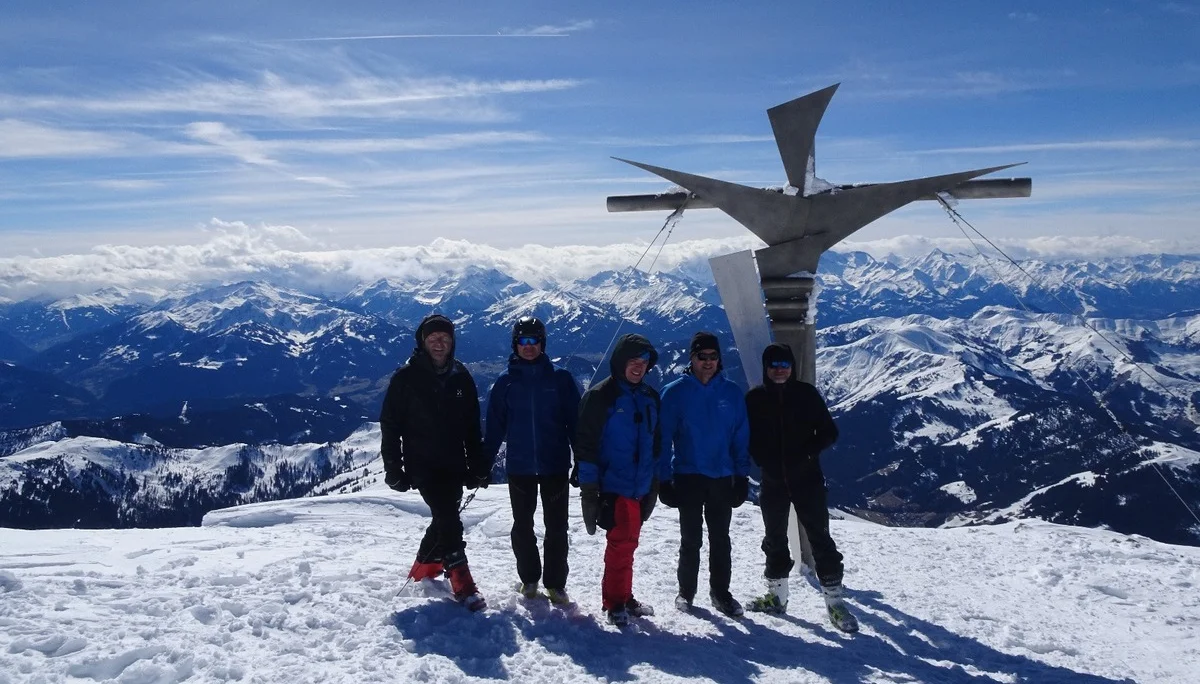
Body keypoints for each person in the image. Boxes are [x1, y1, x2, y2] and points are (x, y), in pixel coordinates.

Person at [744, 342, 858, 632]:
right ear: (765, 368)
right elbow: (745, 435)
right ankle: (777, 597)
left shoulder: (806, 394)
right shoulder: (755, 399)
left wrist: (806, 453)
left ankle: (835, 603)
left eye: (784, 364)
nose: (779, 370)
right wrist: (760, 457)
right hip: (772, 482)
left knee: (820, 538)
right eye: (773, 365)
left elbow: (829, 432)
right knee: (774, 539)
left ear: (792, 367)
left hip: (807, 479)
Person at [379, 313, 490, 611]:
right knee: (449, 519)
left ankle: (424, 569)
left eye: (445, 339)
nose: (439, 344)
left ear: (452, 342)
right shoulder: (406, 378)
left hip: (453, 463)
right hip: (423, 464)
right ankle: (463, 585)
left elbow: (471, 426)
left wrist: (476, 465)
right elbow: (390, 425)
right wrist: (394, 468)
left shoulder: (460, 376)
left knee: (445, 516)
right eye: (433, 339)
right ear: (423, 342)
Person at [482, 316, 582, 605]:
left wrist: (583, 462)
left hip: (554, 465)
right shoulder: (505, 382)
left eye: (534, 340)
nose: (529, 346)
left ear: (542, 343)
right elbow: (495, 428)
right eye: (523, 341)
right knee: (522, 525)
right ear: (515, 344)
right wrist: (483, 464)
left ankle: (555, 583)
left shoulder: (560, 378)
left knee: (557, 527)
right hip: (520, 466)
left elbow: (575, 423)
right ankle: (529, 579)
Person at [657, 331, 751, 617]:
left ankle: (721, 593)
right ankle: (686, 592)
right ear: (692, 358)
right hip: (688, 475)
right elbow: (662, 439)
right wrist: (663, 479)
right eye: (702, 356)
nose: (708, 362)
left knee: (720, 538)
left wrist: (742, 475)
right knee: (691, 539)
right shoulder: (675, 392)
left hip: (722, 476)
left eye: (713, 356)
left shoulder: (732, 393)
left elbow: (740, 436)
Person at [574, 333, 661, 627]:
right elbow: (585, 446)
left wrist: (654, 484)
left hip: (640, 485)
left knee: (629, 544)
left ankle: (623, 595)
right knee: (621, 544)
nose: (638, 367)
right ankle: (615, 602)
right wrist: (589, 490)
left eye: (644, 362)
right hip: (614, 485)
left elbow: (656, 444)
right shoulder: (601, 397)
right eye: (633, 361)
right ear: (620, 362)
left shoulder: (649, 398)